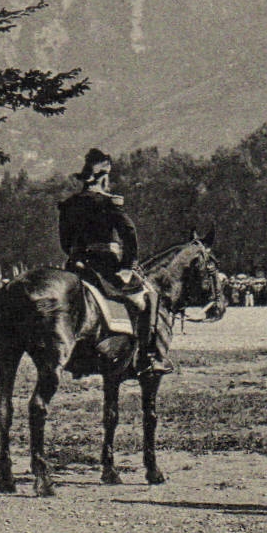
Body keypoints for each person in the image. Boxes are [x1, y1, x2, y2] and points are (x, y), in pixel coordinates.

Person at [57, 148, 171, 374]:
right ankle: (148, 357)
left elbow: (64, 242)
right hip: (105, 268)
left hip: (76, 266)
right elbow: (129, 231)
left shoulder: (68, 205)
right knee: (148, 297)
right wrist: (128, 266)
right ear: (104, 178)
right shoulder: (107, 202)